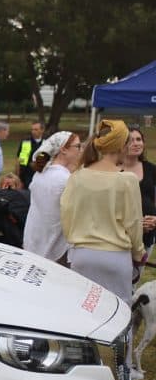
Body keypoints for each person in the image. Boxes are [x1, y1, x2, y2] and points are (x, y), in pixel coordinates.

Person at [60, 119, 144, 303]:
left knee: (82, 313)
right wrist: (139, 254)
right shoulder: (127, 180)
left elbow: (66, 215)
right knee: (118, 314)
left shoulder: (77, 176)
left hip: (82, 255)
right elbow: (134, 223)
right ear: (121, 146)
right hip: (115, 257)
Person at [22, 131, 79, 262]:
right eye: (77, 146)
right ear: (63, 149)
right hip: (54, 248)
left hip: (33, 242)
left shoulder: (40, 174)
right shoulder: (65, 179)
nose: (80, 150)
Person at [120, 126, 156, 253]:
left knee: (138, 273)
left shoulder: (152, 170)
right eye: (130, 140)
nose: (136, 144)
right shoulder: (113, 170)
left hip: (147, 235)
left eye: (138, 139)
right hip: (120, 236)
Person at [17, 121, 45, 188]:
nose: (33, 131)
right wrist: (18, 177)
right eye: (32, 129)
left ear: (42, 130)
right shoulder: (25, 142)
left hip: (42, 175)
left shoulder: (46, 143)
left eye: (36, 129)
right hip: (26, 175)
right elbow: (20, 160)